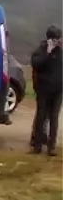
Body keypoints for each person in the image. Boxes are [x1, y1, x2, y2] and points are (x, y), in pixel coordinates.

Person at [30, 25, 63, 156]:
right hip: (43, 90)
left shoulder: (61, 52)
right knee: (41, 117)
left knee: (54, 117)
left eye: (59, 39)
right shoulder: (41, 50)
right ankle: (37, 145)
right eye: (55, 40)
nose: (57, 42)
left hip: (58, 90)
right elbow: (37, 65)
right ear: (49, 39)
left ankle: (52, 146)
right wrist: (48, 52)